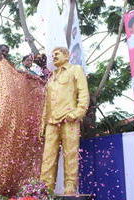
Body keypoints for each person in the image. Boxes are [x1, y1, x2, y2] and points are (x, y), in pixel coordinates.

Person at [40, 47, 89, 195]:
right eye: (52, 54)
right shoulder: (51, 77)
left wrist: (78, 112)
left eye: (57, 54)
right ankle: (45, 190)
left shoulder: (76, 70)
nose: (53, 56)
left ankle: (70, 188)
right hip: (51, 121)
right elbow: (46, 103)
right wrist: (43, 125)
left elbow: (84, 93)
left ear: (66, 56)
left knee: (70, 155)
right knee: (48, 158)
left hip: (69, 119)